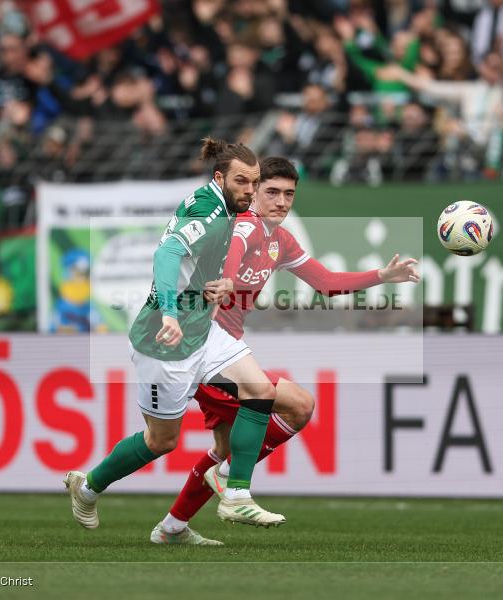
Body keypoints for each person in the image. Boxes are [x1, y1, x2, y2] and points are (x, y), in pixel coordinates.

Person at [150, 156, 421, 545]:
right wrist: (223, 279)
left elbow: (326, 282)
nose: (281, 200)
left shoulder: (280, 239)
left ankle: (172, 527)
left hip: (225, 349)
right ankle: (232, 481)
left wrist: (381, 275)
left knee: (225, 445)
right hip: (202, 347)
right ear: (253, 192)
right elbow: (228, 253)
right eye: (271, 191)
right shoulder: (243, 226)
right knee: (298, 404)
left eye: (288, 193)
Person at [64, 138, 286, 533]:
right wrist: (169, 312)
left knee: (261, 390)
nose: (250, 191)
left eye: (254, 182)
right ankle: (89, 487)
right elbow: (167, 254)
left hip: (201, 328)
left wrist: (216, 285)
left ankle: (237, 495)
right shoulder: (208, 208)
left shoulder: (229, 207)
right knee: (161, 441)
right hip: (164, 340)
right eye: (242, 182)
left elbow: (196, 262)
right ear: (220, 178)